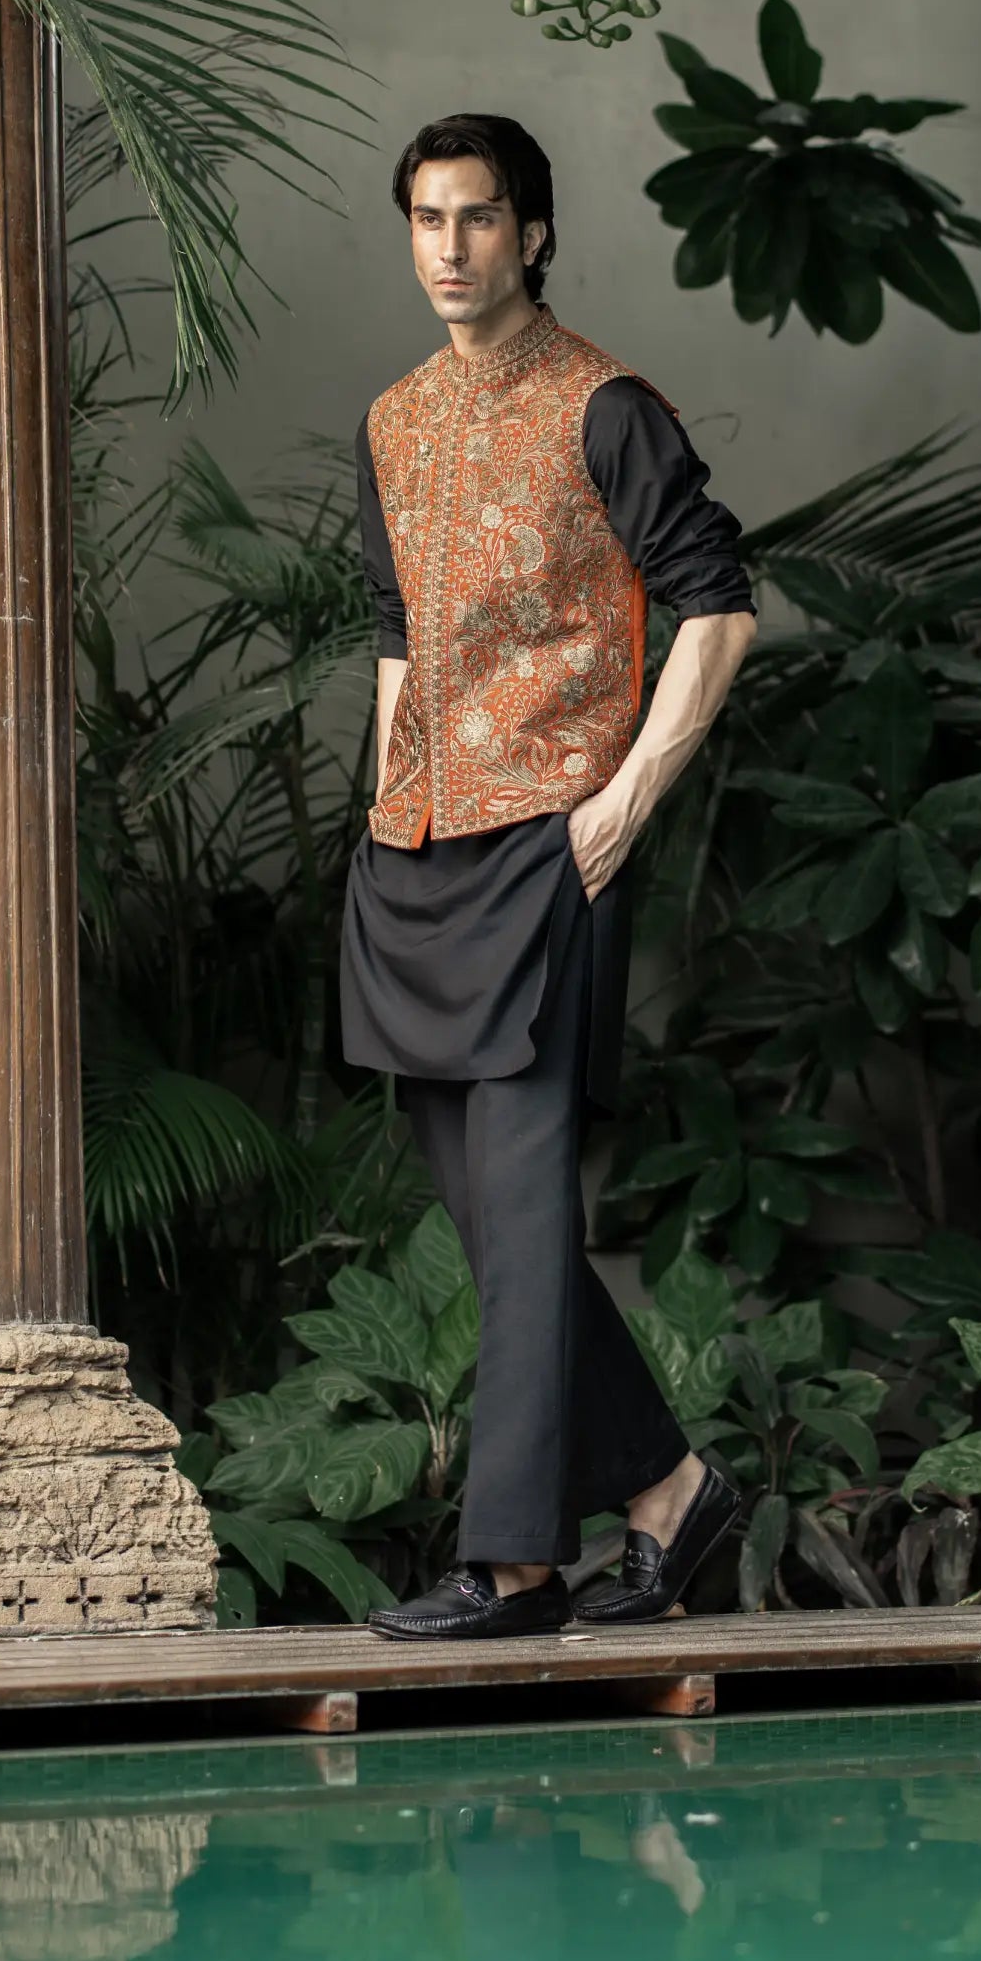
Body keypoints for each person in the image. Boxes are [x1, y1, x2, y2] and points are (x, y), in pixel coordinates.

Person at [341, 114, 759, 1642]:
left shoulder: (607, 408)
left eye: (479, 217)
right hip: (415, 855)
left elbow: (718, 606)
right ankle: (668, 1495)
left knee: (524, 1214)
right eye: (426, 219)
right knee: (487, 1219)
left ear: (533, 232)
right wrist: (381, 804)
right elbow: (395, 631)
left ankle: (516, 1562)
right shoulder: (393, 419)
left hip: (547, 845)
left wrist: (628, 800)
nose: (450, 247)